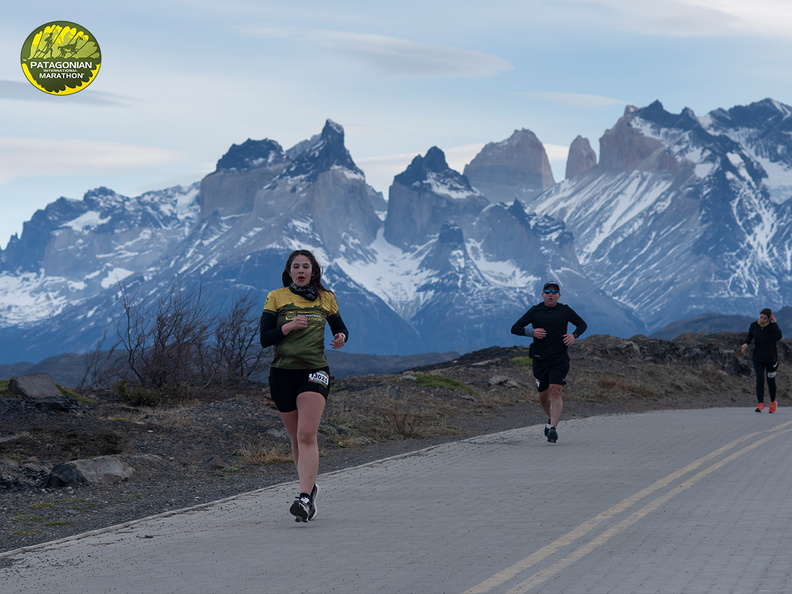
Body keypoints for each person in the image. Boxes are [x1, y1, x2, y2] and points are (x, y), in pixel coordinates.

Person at [260, 249, 348, 522]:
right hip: (282, 373)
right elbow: (265, 338)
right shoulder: (276, 297)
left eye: (305, 266)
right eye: (296, 266)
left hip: (314, 370)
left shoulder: (326, 297)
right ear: (289, 272)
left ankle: (304, 498)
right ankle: (309, 488)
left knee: (307, 434)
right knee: (296, 437)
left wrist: (341, 338)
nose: (301, 271)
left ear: (313, 271)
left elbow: (340, 328)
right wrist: (288, 327)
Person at [511, 281, 587, 443]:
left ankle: (553, 428)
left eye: (554, 292)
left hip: (559, 358)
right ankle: (551, 420)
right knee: (544, 396)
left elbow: (582, 325)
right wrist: (531, 332)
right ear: (542, 295)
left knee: (556, 390)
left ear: (559, 295)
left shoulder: (565, 310)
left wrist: (573, 335)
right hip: (540, 359)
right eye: (547, 291)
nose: (550, 294)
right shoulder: (535, 311)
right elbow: (515, 328)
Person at [741, 308, 782, 413]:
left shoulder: (772, 327)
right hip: (758, 358)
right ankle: (760, 404)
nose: (762, 320)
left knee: (770, 380)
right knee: (759, 379)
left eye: (765, 319)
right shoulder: (754, 325)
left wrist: (774, 323)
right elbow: (750, 336)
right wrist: (746, 343)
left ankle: (773, 402)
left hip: (771, 359)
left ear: (769, 319)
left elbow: (779, 336)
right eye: (761, 317)